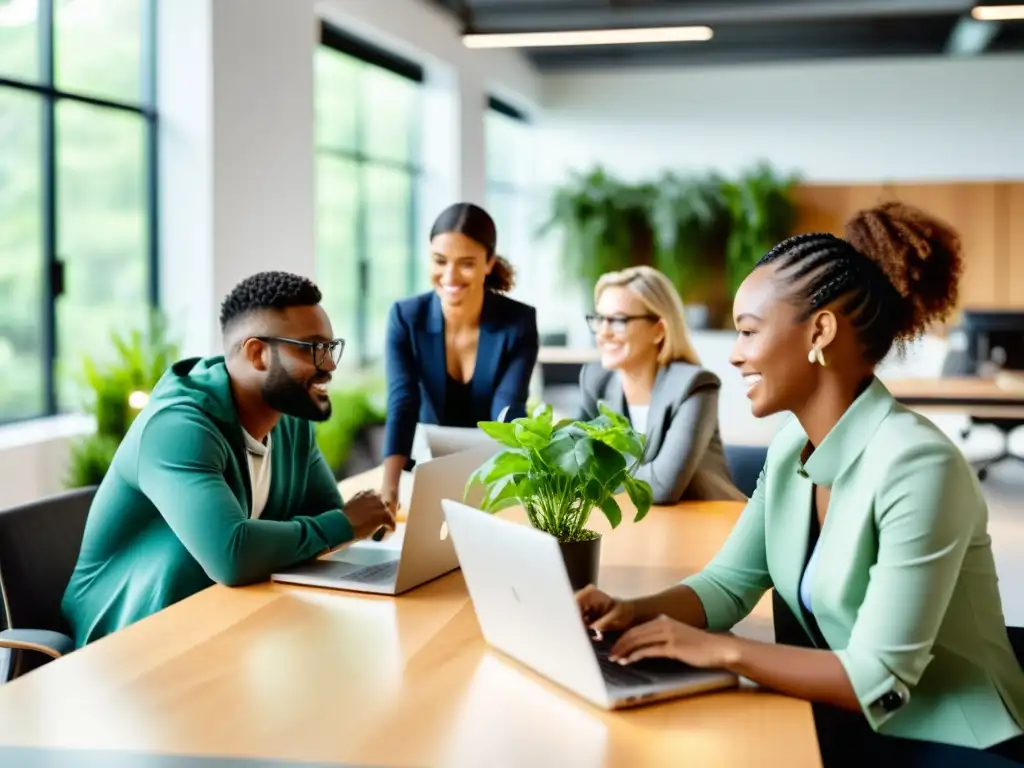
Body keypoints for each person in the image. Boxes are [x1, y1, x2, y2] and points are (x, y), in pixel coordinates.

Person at [576, 203, 1024, 764]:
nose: (736, 355)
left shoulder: (918, 465)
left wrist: (720, 652)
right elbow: (729, 583)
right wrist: (633, 610)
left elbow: (877, 679)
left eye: (748, 331)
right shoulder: (792, 446)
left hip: (948, 737)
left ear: (820, 331)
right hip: (838, 716)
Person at [61, 271, 395, 647]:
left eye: (330, 348)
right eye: (311, 348)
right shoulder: (176, 429)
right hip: (127, 642)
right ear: (257, 353)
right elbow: (232, 554)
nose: (329, 365)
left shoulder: (289, 423)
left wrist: (341, 525)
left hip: (218, 622)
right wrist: (343, 523)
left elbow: (326, 516)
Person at [379, 202, 539, 513]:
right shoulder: (406, 317)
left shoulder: (518, 322)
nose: (450, 276)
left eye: (466, 263)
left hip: (492, 471)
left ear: (489, 262)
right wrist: (389, 488)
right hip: (425, 472)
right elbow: (402, 402)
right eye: (439, 261)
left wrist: (499, 489)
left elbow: (507, 412)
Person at [579, 266, 744, 504]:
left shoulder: (695, 386)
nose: (603, 333)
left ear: (658, 330)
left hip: (709, 524)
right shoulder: (595, 380)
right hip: (642, 525)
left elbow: (661, 487)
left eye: (617, 321)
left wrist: (599, 470)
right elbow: (571, 462)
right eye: (599, 319)